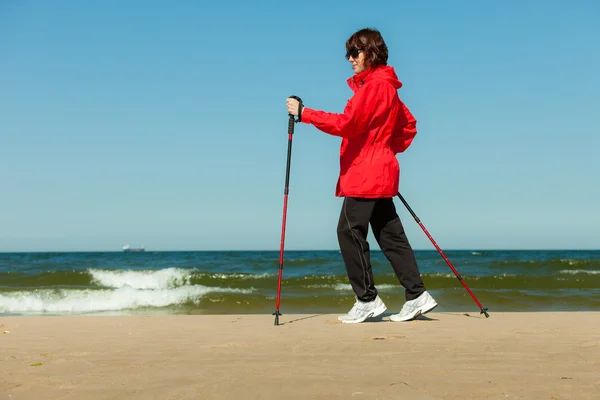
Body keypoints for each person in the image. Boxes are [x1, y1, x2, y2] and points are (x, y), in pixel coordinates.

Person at [285, 28, 437, 323]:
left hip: (367, 173)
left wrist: (305, 113)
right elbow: (408, 126)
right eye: (349, 54)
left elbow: (347, 124)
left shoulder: (375, 88)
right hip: (379, 170)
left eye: (356, 52)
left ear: (372, 52)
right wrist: (383, 149)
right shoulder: (385, 87)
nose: (351, 59)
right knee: (390, 235)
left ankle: (367, 299)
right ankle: (417, 294)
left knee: (348, 231)